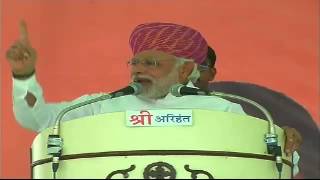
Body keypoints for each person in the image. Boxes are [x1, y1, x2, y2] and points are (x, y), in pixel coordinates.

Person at [6, 21, 245, 133]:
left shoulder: (220, 110)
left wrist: (282, 137)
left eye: (150, 63)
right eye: (135, 62)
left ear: (184, 70)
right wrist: (24, 76)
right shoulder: (103, 105)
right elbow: (38, 119)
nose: (137, 70)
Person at [194, 46, 318, 178]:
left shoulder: (233, 108)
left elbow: (285, 166)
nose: (191, 73)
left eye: (200, 66)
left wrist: (282, 140)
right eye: (181, 66)